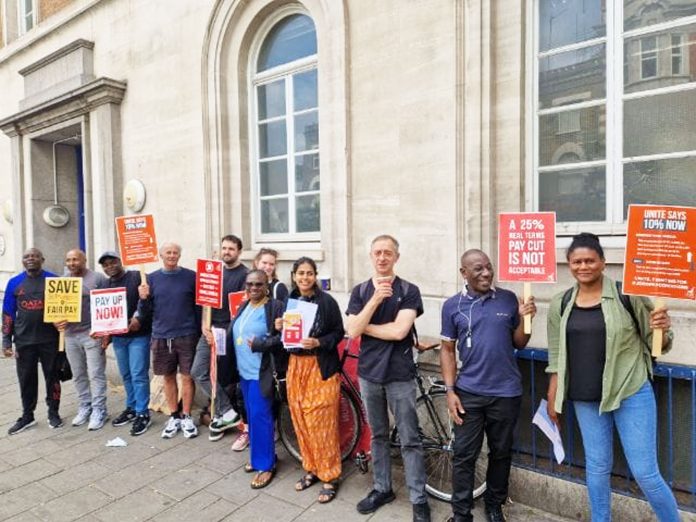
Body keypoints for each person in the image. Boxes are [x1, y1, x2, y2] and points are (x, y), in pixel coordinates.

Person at [546, 233, 679, 522]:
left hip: (630, 391)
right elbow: (556, 353)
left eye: (590, 260)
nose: (584, 266)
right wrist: (553, 394)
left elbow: (659, 344)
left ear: (603, 263)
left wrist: (662, 328)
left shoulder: (627, 295)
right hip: (585, 397)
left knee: (646, 472)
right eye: (577, 261)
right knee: (596, 468)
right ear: (569, 265)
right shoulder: (561, 303)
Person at [440, 249, 536, 522]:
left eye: (489, 267)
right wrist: (449, 391)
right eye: (478, 269)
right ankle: (460, 513)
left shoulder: (508, 300)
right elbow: (447, 350)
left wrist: (527, 319)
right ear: (464, 273)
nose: (486, 273)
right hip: (468, 393)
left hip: (505, 393)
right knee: (463, 456)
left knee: (501, 453)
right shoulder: (452, 306)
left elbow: (520, 343)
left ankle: (494, 505)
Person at [346, 234, 431, 522]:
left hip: (399, 375)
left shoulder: (409, 290)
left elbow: (398, 332)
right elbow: (352, 331)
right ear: (371, 256)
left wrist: (364, 325)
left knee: (409, 439)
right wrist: (373, 303)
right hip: (369, 374)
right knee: (379, 436)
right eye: (378, 252)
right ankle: (382, 488)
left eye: (388, 253)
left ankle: (419, 500)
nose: (382, 257)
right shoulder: (360, 291)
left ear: (396, 257)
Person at [282, 257, 344, 503]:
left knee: (322, 422)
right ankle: (311, 468)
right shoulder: (289, 301)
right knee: (300, 419)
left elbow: (338, 332)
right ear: (294, 276)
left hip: (320, 366)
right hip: (296, 366)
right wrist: (280, 325)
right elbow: (286, 335)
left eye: (309, 273)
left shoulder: (327, 302)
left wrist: (319, 342)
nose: (305, 278)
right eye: (300, 273)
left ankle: (330, 475)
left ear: (315, 275)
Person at [226, 269, 285, 489]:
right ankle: (261, 455)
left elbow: (283, 339)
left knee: (261, 417)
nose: (253, 288)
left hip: (264, 372)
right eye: (250, 284)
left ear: (267, 285)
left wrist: (262, 343)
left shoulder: (275, 307)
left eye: (259, 284)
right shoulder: (245, 305)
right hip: (244, 372)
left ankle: (265, 466)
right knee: (252, 417)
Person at [139, 242, 201, 439]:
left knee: (187, 377)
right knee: (167, 377)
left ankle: (187, 415)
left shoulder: (191, 277)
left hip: (187, 334)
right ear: (161, 255)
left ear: (180, 255)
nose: (172, 255)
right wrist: (143, 298)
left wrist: (200, 331)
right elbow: (145, 312)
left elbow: (198, 306)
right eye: (168, 252)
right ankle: (174, 415)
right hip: (161, 335)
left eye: (176, 252)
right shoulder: (151, 279)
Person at [191, 234, 247, 441]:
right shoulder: (214, 272)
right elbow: (204, 302)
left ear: (239, 251)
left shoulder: (244, 275)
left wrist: (225, 333)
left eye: (231, 249)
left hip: (227, 332)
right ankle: (227, 411)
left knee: (222, 376)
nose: (227, 252)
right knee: (198, 370)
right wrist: (205, 327)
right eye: (224, 248)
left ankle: (222, 416)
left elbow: (241, 309)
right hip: (209, 329)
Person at [2, 248, 62, 434]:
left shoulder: (54, 280)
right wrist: (6, 340)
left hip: (50, 339)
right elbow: (8, 314)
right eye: (26, 256)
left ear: (42, 259)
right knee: (26, 379)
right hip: (24, 340)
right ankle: (27, 415)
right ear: (22, 261)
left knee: (52, 377)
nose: (30, 259)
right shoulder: (14, 283)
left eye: (34, 256)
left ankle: (53, 412)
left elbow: (65, 307)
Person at [98, 250, 153, 436]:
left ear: (120, 261)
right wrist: (104, 333)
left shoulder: (138, 276)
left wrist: (138, 317)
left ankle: (143, 413)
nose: (109, 267)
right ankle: (131, 407)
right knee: (126, 375)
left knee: (138, 374)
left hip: (139, 335)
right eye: (105, 265)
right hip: (119, 337)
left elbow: (146, 301)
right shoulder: (105, 284)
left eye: (112, 262)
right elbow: (103, 311)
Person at [57, 249, 108, 431]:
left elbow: (108, 305)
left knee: (96, 374)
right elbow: (54, 308)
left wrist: (104, 332)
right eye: (69, 260)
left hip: (91, 333)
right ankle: (85, 405)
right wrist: (56, 321)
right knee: (78, 374)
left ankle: (99, 409)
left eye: (75, 259)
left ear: (84, 260)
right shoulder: (62, 281)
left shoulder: (98, 279)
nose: (72, 263)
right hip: (70, 335)